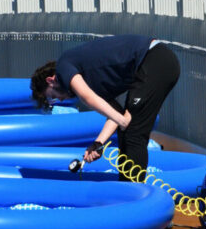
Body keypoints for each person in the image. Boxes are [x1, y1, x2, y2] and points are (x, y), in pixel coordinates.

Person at [30, 34, 180, 181]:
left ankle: (134, 197)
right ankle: (126, 189)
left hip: (155, 59)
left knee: (133, 132)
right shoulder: (93, 81)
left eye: (53, 96)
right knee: (127, 132)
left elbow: (87, 97)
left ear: (51, 80)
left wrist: (122, 121)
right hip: (153, 65)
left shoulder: (63, 66)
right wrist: (98, 144)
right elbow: (115, 115)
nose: (60, 99)